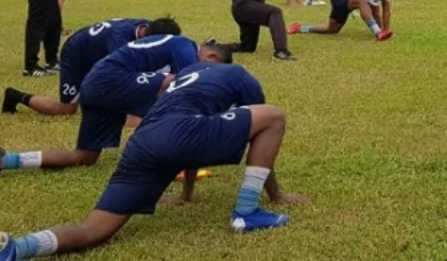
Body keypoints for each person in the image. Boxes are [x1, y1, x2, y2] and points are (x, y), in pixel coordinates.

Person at [0, 63, 308, 260]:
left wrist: (187, 195)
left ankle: (17, 248)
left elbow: (188, 142)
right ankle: (247, 212)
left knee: (93, 230)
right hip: (179, 134)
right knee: (273, 115)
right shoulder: (238, 74)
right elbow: (263, 135)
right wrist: (275, 194)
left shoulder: (183, 77)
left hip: (142, 143)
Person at [0, 34, 223, 172]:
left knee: (84, 157)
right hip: (110, 81)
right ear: (211, 57)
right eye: (210, 69)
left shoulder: (176, 45)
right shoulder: (185, 47)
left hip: (98, 85)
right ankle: (160, 166)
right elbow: (187, 90)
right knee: (174, 94)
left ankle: (8, 160)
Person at [2, 17, 176, 116]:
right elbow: (125, 76)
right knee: (66, 109)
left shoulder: (148, 27)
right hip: (76, 53)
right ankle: (15, 96)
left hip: (97, 50)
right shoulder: (120, 40)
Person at [288, 0, 408, 41]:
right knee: (363, 1)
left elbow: (386, 10)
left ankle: (300, 28)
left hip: (348, 0)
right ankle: (377, 33)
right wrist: (380, 31)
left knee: (332, 29)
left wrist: (387, 30)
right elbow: (375, 13)